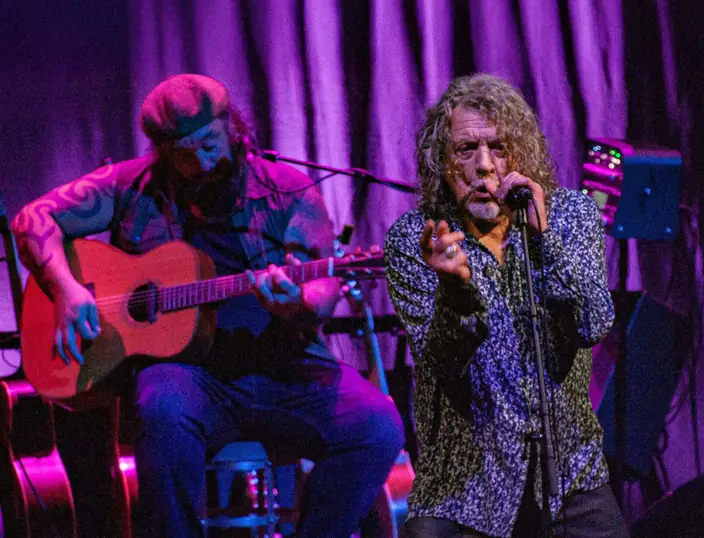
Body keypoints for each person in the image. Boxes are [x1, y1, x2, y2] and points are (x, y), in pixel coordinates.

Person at [11, 73, 404, 538]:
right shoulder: (132, 185)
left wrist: (294, 302)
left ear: (231, 128)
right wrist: (67, 289)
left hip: (284, 368)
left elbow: (322, 294)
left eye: (209, 143)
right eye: (183, 152)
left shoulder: (287, 191)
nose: (200, 160)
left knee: (377, 426)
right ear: (162, 151)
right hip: (184, 373)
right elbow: (31, 219)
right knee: (162, 413)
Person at [384, 73, 628, 537]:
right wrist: (456, 291)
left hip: (569, 476)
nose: (483, 167)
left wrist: (542, 242)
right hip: (465, 483)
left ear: (521, 155)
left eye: (498, 148)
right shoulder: (417, 240)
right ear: (441, 161)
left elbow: (593, 321)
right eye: (465, 151)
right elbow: (443, 361)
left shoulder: (570, 215)